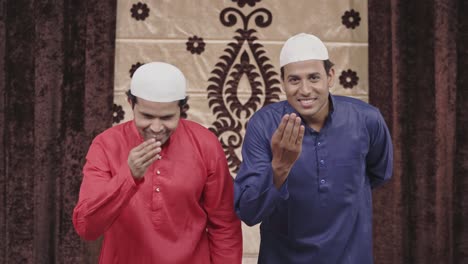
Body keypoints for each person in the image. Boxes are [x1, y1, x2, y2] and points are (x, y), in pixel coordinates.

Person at [234, 33, 393, 263]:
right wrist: (280, 166)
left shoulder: (367, 119)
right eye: (294, 80)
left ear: (330, 76)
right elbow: (249, 212)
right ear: (283, 82)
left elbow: (379, 173)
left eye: (314, 77)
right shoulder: (264, 125)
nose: (305, 90)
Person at [73, 62, 242, 263]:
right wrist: (128, 176)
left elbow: (224, 226)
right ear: (130, 103)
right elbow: (87, 227)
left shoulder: (205, 144)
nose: (156, 127)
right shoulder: (106, 145)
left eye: (167, 117)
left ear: (182, 108)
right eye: (146, 116)